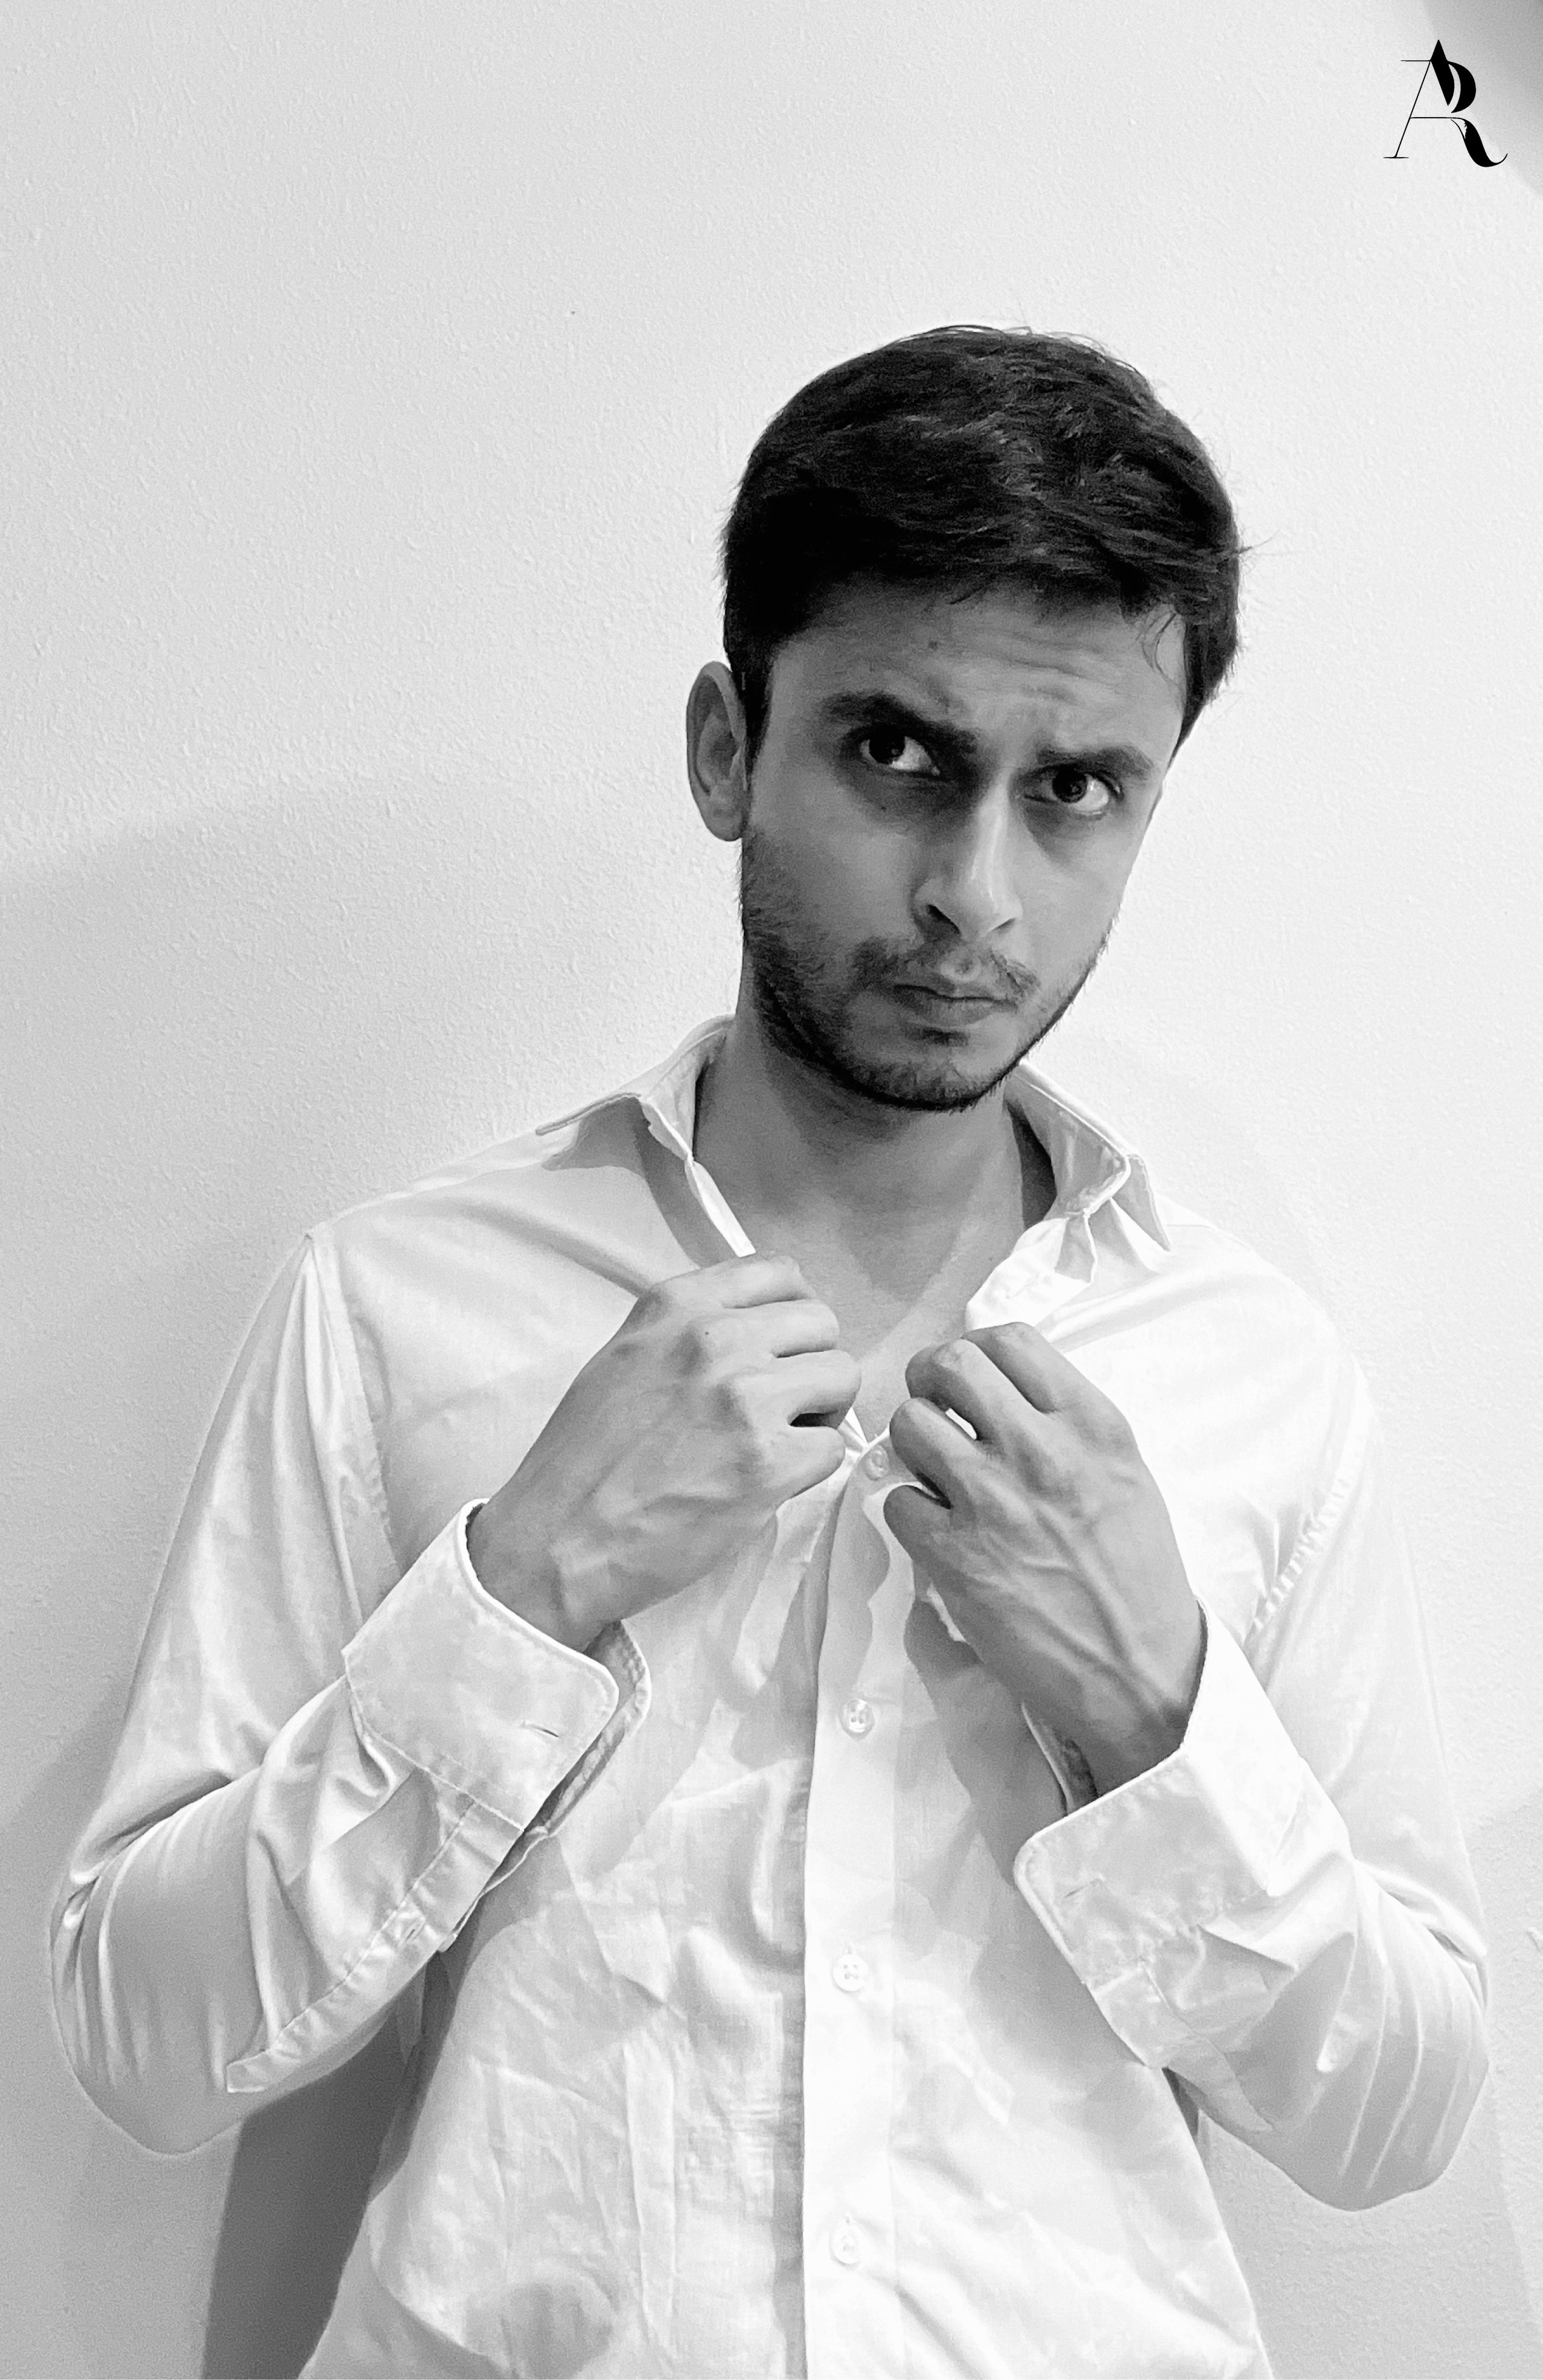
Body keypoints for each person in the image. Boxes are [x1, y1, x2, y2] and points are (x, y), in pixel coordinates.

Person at [50, 325, 1489, 2380]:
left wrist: (1152, 1709)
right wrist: (520, 1591)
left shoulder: (1247, 1368)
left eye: (1073, 792)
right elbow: (145, 2040)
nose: (973, 896)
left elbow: (1388, 2118)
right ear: (730, 746)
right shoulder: (399, 1305)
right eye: (895, 753)